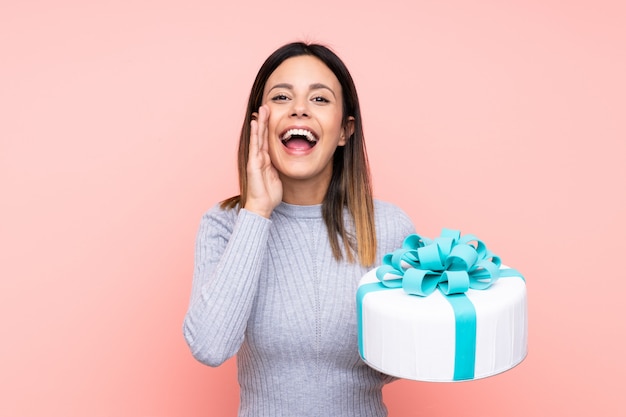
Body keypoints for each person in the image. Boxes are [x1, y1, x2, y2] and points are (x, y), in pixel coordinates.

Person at [183, 41, 415, 417]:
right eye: (281, 97)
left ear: (344, 131)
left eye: (320, 99)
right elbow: (210, 346)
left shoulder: (389, 227)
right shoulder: (225, 224)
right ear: (259, 121)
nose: (300, 109)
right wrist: (256, 212)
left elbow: (405, 359)